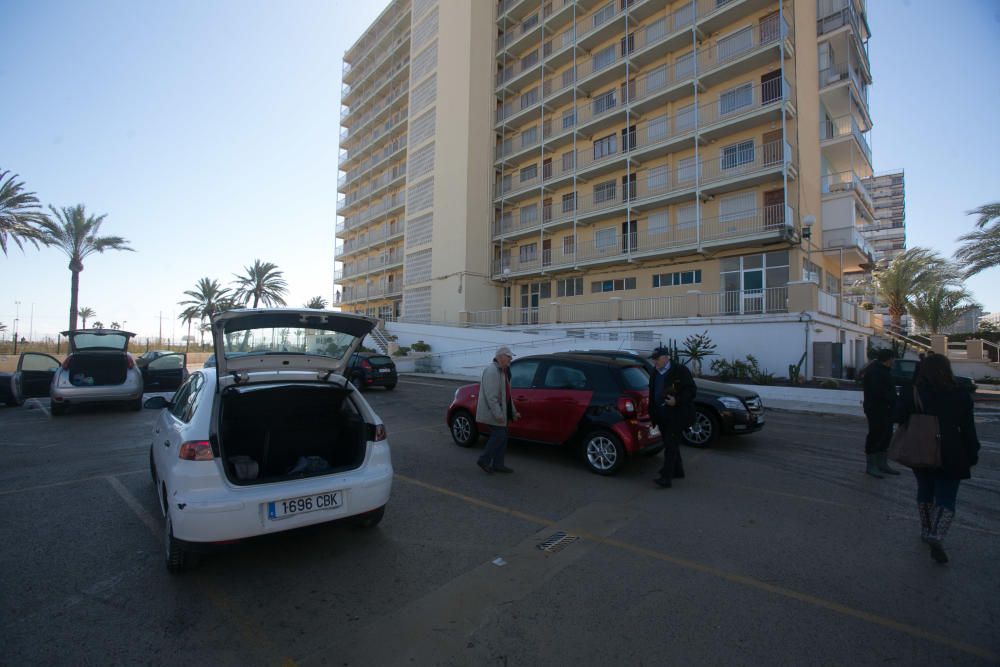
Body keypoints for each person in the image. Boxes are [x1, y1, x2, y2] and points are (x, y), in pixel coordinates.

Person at [895, 354, 980, 564]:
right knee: (946, 495)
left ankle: (926, 529)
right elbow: (968, 427)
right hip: (951, 449)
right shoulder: (960, 393)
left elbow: (898, 416)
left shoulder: (913, 391)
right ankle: (937, 534)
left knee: (924, 488)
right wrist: (972, 452)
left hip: (921, 447)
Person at [648, 346, 696, 488]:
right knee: (672, 443)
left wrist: (677, 400)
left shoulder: (679, 370)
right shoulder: (655, 372)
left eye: (657, 359)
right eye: (654, 359)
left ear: (666, 357)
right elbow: (652, 393)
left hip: (677, 415)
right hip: (661, 415)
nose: (655, 361)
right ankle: (678, 471)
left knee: (670, 445)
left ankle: (666, 477)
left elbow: (691, 390)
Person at [476, 346, 520, 474]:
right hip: (494, 413)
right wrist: (498, 414)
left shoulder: (502, 371)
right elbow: (492, 397)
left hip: (501, 412)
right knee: (499, 435)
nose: (510, 360)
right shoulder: (492, 371)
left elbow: (507, 395)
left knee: (502, 437)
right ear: (500, 357)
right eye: (508, 357)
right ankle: (484, 460)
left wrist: (513, 412)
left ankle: (498, 464)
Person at [862, 349, 899, 478]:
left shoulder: (884, 371)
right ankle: (871, 465)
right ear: (888, 359)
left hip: (887, 409)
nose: (894, 361)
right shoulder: (874, 372)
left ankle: (882, 463)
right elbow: (877, 392)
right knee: (876, 435)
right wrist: (892, 398)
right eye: (893, 358)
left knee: (886, 435)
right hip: (876, 409)